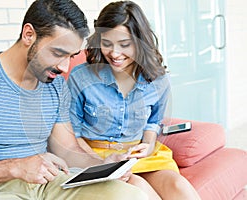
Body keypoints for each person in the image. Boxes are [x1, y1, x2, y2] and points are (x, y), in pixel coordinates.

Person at [0, 0, 149, 199]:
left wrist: (104, 165)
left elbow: (68, 150)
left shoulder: (56, 85)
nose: (65, 68)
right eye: (58, 53)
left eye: (71, 56)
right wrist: (16, 167)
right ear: (29, 35)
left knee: (129, 195)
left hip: (49, 184)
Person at [67, 1, 201, 200]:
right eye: (106, 43)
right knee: (138, 187)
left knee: (178, 186)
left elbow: (153, 123)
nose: (114, 53)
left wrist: (147, 145)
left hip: (138, 156)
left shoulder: (158, 79)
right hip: (96, 157)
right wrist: (102, 164)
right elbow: (71, 134)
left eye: (124, 45)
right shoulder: (81, 77)